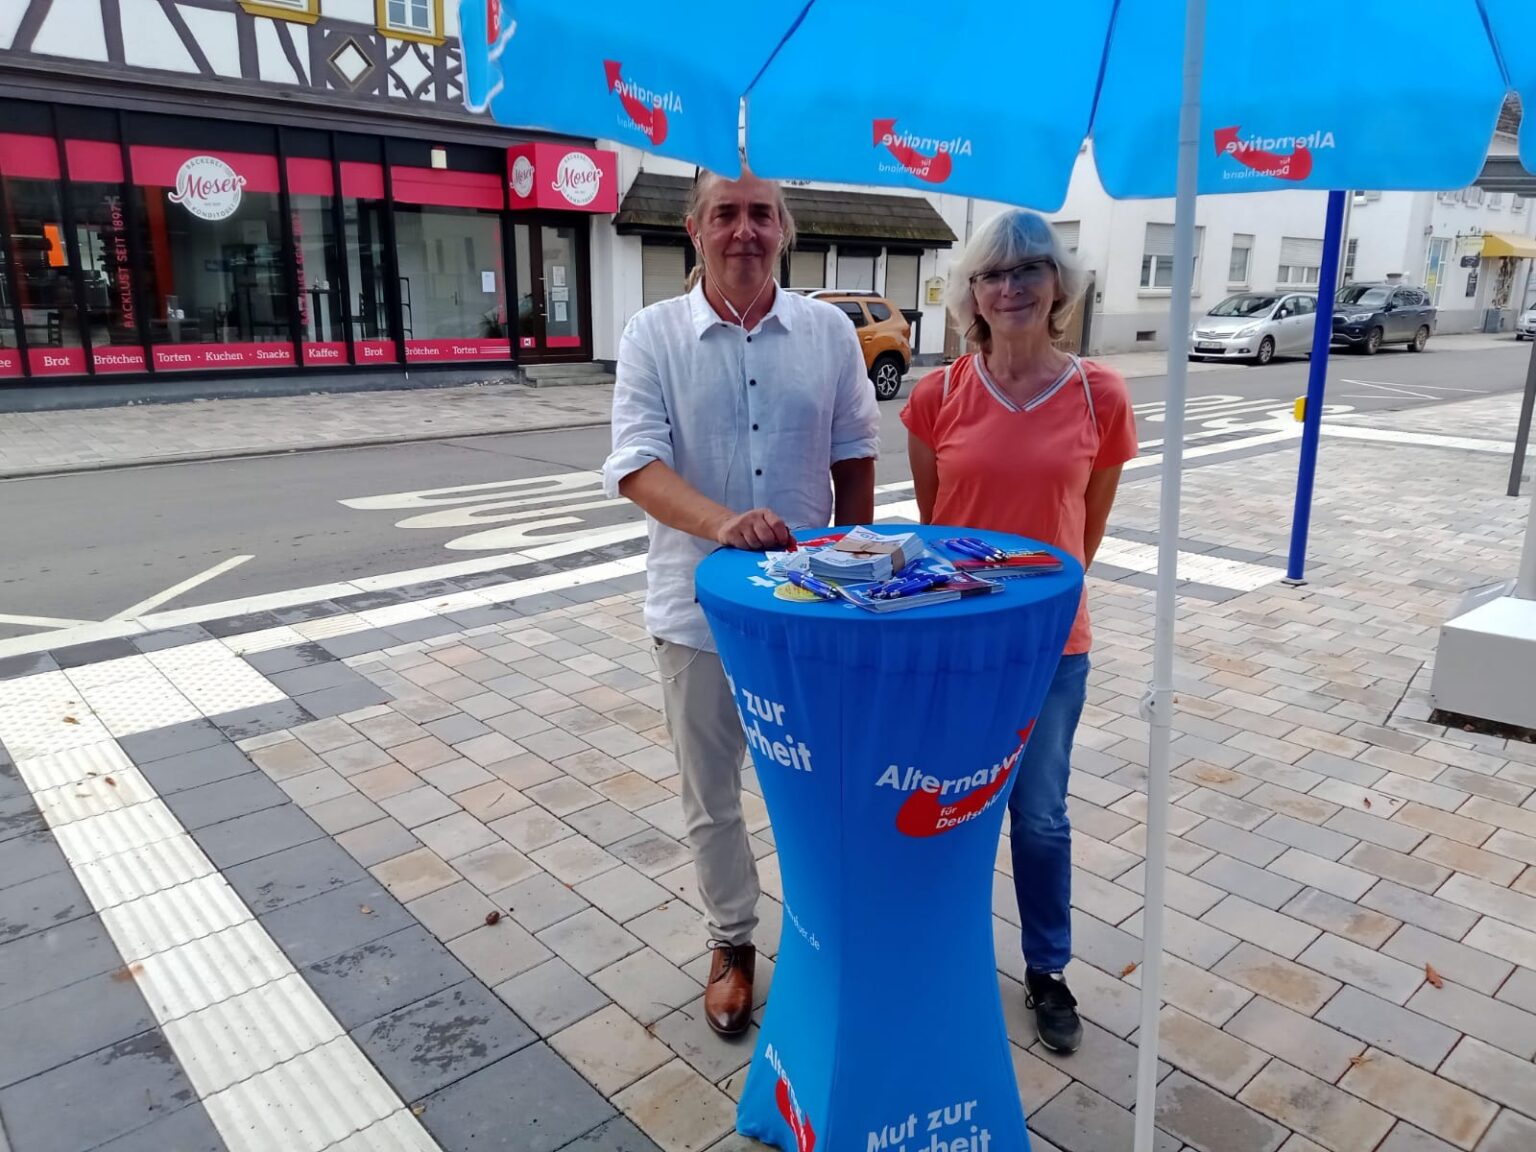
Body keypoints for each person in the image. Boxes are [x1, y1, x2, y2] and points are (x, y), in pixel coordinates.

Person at [603, 164, 879, 1037]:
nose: (745, 231)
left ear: (785, 228)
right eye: (726, 214)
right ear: (694, 228)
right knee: (711, 797)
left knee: (823, 788)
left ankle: (828, 938)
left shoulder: (829, 333)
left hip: (809, 617)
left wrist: (856, 571)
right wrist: (725, 526)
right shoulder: (652, 335)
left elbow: (855, 453)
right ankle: (731, 940)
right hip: (694, 617)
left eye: (762, 214)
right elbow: (636, 467)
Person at [901, 209, 1137, 1054]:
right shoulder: (936, 397)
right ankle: (940, 960)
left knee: (1038, 817)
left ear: (1058, 286)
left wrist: (1042, 603)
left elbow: (1086, 527)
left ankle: (1047, 969)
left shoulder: (1098, 395)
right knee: (948, 813)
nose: (1010, 287)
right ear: (972, 295)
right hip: (957, 649)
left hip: (1052, 649)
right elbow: (937, 523)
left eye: (1028, 269)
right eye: (992, 274)